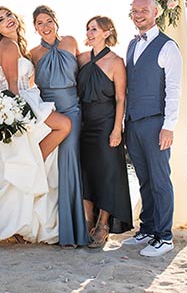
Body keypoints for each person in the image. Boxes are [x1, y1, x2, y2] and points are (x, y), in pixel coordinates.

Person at [0, 6, 71, 244]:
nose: (8, 20)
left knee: (37, 156)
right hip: (20, 104)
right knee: (63, 125)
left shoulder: (17, 46)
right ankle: (34, 164)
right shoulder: (8, 46)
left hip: (28, 99)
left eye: (9, 16)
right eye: (1, 20)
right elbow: (12, 87)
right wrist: (20, 121)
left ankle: (33, 168)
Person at [121, 0, 182, 258]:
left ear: (155, 12)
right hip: (133, 124)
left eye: (144, 10)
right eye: (134, 11)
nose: (138, 14)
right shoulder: (132, 45)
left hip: (156, 123)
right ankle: (148, 228)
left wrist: (168, 126)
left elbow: (174, 89)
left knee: (160, 180)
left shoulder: (168, 46)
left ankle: (165, 236)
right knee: (144, 179)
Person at [30, 5, 89, 249]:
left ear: (55, 21)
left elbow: (89, 67)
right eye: (40, 23)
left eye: (48, 21)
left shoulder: (71, 42)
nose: (45, 27)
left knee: (70, 163)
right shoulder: (32, 53)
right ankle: (56, 227)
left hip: (73, 110)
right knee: (52, 168)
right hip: (49, 114)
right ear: (35, 27)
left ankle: (75, 230)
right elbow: (24, 83)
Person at [76, 15, 133, 249]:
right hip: (84, 123)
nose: (89, 33)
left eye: (94, 29)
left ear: (107, 33)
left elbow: (121, 98)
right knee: (86, 173)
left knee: (108, 174)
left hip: (106, 122)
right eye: (88, 29)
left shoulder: (116, 62)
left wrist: (117, 129)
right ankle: (87, 220)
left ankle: (103, 225)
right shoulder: (80, 59)